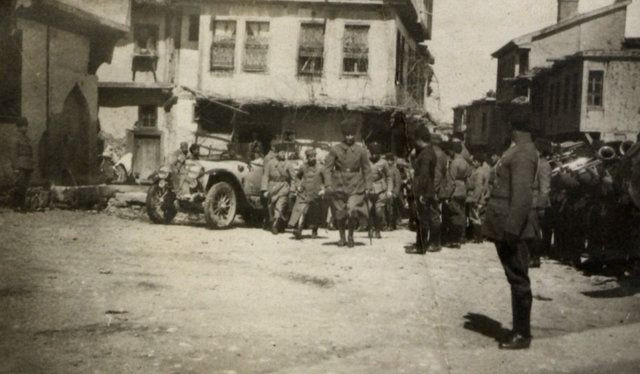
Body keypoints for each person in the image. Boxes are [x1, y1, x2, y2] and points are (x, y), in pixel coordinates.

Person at [483, 120, 539, 350]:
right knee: (514, 276)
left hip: (511, 226)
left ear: (514, 127)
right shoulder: (516, 149)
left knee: (518, 277)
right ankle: (519, 330)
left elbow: (522, 197)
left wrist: (512, 229)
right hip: (503, 223)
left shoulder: (523, 152)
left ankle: (522, 334)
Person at [324, 120, 373, 247]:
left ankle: (350, 235)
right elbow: (327, 168)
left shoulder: (361, 150)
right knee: (340, 212)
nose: (349, 137)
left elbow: (367, 169)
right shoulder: (335, 149)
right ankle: (342, 237)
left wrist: (368, 186)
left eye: (351, 134)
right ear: (343, 135)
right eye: (347, 135)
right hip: (338, 183)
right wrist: (328, 185)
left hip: (356, 184)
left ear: (355, 135)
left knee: (352, 210)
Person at [288, 149, 329, 239]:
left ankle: (314, 230)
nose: (312, 158)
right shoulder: (303, 167)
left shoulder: (321, 167)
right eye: (310, 157)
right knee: (301, 211)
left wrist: (324, 190)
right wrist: (298, 186)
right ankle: (299, 229)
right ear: (307, 158)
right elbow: (297, 177)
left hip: (316, 193)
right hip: (304, 192)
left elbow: (327, 180)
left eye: (314, 156)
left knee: (315, 213)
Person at [412, 126, 439, 253]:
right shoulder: (429, 151)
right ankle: (421, 245)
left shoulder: (426, 154)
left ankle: (421, 246)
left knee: (422, 219)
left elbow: (424, 175)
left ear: (420, 139)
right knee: (423, 218)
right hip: (427, 190)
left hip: (424, 191)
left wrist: (422, 193)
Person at [444, 140, 471, 248]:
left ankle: (454, 239)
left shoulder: (454, 163)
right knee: (462, 214)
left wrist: (447, 195)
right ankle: (462, 237)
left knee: (454, 215)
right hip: (463, 190)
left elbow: (451, 180)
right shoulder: (465, 162)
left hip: (455, 190)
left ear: (453, 151)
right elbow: (468, 177)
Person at [531, 139, 552, 268]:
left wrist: (541, 206)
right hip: (528, 201)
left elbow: (545, 188)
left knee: (534, 231)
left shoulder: (543, 165)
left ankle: (535, 258)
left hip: (536, 202)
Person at [261, 144, 292, 234]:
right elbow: (265, 176)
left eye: (284, 152)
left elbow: (293, 178)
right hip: (272, 187)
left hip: (283, 187)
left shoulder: (288, 164)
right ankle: (274, 222)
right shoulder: (270, 163)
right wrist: (264, 189)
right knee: (271, 206)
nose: (283, 154)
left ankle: (274, 225)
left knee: (280, 206)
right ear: (277, 153)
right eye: (281, 152)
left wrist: (293, 189)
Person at [368, 142, 393, 238]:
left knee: (378, 212)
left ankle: (378, 229)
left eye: (376, 154)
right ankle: (370, 228)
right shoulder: (366, 161)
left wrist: (389, 190)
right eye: (372, 153)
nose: (374, 155)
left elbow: (389, 177)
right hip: (368, 189)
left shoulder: (384, 163)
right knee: (369, 210)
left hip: (380, 189)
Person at [12, 117, 34, 212]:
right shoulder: (16, 139)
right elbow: (14, 154)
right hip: (20, 165)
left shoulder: (27, 138)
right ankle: (17, 206)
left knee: (25, 186)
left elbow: (30, 152)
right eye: (23, 126)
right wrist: (15, 168)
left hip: (28, 164)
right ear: (18, 127)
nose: (25, 128)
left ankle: (23, 205)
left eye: (26, 126)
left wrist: (32, 163)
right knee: (19, 186)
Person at [384, 153, 403, 230]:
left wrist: (395, 193)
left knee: (391, 209)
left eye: (391, 160)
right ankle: (385, 224)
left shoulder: (395, 170)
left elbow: (398, 182)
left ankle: (391, 225)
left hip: (392, 192)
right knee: (385, 209)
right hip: (384, 191)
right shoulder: (384, 169)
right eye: (387, 160)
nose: (389, 162)